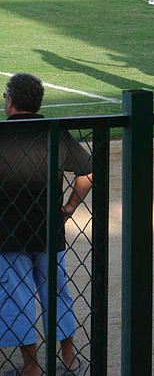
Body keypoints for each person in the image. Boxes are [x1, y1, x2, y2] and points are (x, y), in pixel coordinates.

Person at [0, 73, 93, 376]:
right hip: (49, 228)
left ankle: (31, 366)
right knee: (57, 292)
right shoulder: (54, 131)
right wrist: (69, 206)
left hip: (8, 232)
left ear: (10, 101)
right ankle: (69, 360)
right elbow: (88, 172)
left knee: (19, 296)